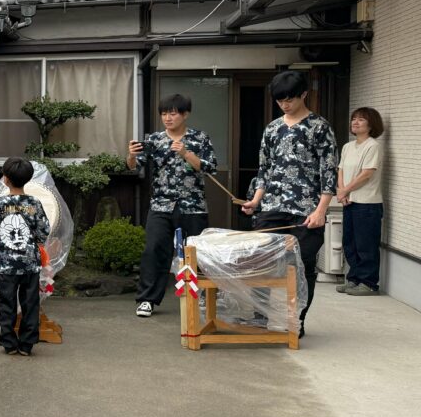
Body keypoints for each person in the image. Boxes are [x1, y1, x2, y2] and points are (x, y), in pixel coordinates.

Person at [241, 70, 337, 332]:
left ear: (304, 94)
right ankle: (260, 316)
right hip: (272, 205)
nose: (285, 104)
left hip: (307, 210)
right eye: (280, 100)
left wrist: (320, 211)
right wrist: (255, 201)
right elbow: (264, 169)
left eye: (290, 99)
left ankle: (297, 320)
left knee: (302, 264)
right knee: (260, 259)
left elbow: (329, 172)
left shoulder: (320, 127)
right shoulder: (272, 129)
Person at [126, 94, 218, 317]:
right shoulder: (155, 140)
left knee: (197, 252)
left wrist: (186, 153)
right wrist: (130, 155)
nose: (167, 118)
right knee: (154, 249)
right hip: (161, 204)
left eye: (173, 113)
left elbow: (210, 168)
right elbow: (133, 167)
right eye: (164, 113)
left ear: (185, 114)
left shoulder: (199, 138)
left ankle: (203, 297)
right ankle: (147, 299)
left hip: (193, 204)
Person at [0, 157, 50, 356]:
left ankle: (9, 343)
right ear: (28, 179)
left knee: (7, 302)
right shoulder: (34, 203)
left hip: (7, 264)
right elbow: (43, 231)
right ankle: (27, 344)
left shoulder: (0, 203)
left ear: (5, 179)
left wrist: (3, 241)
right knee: (30, 303)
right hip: (30, 264)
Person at [337, 106, 385, 296]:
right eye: (353, 119)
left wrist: (345, 190)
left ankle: (369, 283)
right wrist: (342, 191)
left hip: (367, 203)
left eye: (361, 120)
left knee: (366, 244)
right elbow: (340, 170)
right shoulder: (348, 146)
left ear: (371, 124)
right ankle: (354, 279)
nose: (355, 122)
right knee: (350, 243)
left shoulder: (373, 146)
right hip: (349, 201)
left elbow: (366, 174)